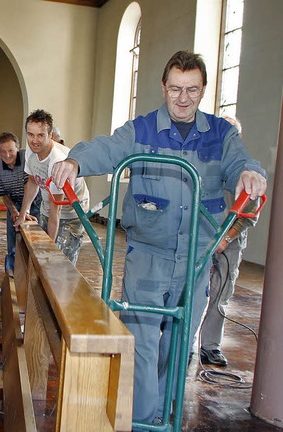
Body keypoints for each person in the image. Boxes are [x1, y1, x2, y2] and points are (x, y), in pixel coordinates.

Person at [50, 51, 267, 426]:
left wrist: (250, 173)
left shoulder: (221, 133)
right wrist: (75, 161)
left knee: (178, 342)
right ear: (163, 87)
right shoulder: (142, 129)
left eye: (192, 91)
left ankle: (164, 413)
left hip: (198, 257)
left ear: (202, 90)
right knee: (144, 339)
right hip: (148, 253)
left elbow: (240, 163)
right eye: (176, 89)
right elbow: (106, 148)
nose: (183, 99)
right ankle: (142, 420)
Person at [199, 116, 257, 367]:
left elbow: (249, 213)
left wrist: (225, 239)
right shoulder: (203, 164)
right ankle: (185, 344)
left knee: (221, 293)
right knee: (192, 291)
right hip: (200, 237)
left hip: (229, 242)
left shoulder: (246, 172)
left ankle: (210, 346)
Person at [14, 109, 90, 266]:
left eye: (40, 135)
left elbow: (57, 210)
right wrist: (23, 213)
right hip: (48, 207)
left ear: (50, 136)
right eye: (30, 135)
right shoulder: (31, 151)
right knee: (40, 258)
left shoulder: (57, 162)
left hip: (72, 213)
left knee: (59, 264)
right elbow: (33, 181)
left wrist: (50, 248)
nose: (34, 140)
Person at [0, 132, 42, 277]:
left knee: (34, 241)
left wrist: (25, 211)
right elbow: (4, 194)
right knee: (13, 240)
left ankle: (32, 276)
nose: (7, 155)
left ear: (18, 148)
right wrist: (14, 211)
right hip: (15, 202)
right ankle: (11, 276)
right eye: (3, 151)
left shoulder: (27, 158)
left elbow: (32, 185)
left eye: (11, 150)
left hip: (34, 202)